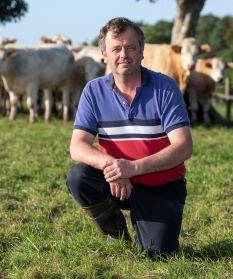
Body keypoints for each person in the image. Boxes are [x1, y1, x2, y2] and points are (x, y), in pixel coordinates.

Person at [66, 17, 193, 257]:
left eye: (130, 47)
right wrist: (112, 166)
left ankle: (151, 227)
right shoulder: (94, 91)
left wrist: (132, 168)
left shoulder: (165, 88)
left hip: (160, 185)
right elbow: (77, 146)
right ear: (104, 54)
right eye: (116, 48)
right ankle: (114, 229)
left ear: (141, 51)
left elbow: (183, 146)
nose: (123, 54)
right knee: (79, 177)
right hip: (116, 181)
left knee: (156, 255)